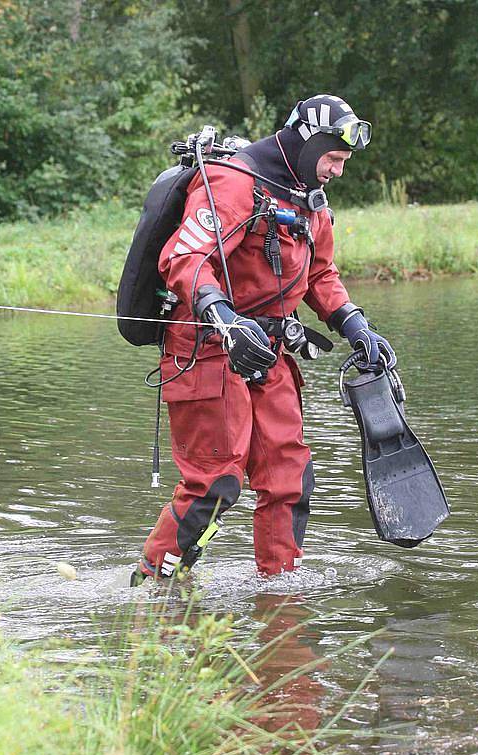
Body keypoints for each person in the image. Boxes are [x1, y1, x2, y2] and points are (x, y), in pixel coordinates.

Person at [135, 94, 395, 581]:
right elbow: (185, 260)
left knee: (288, 478)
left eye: (344, 162)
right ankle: (153, 588)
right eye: (334, 159)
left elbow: (320, 275)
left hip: (271, 355)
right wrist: (224, 318)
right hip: (209, 350)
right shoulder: (232, 184)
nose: (338, 171)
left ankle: (280, 597)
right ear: (307, 142)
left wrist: (355, 326)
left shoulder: (307, 198)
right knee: (216, 483)